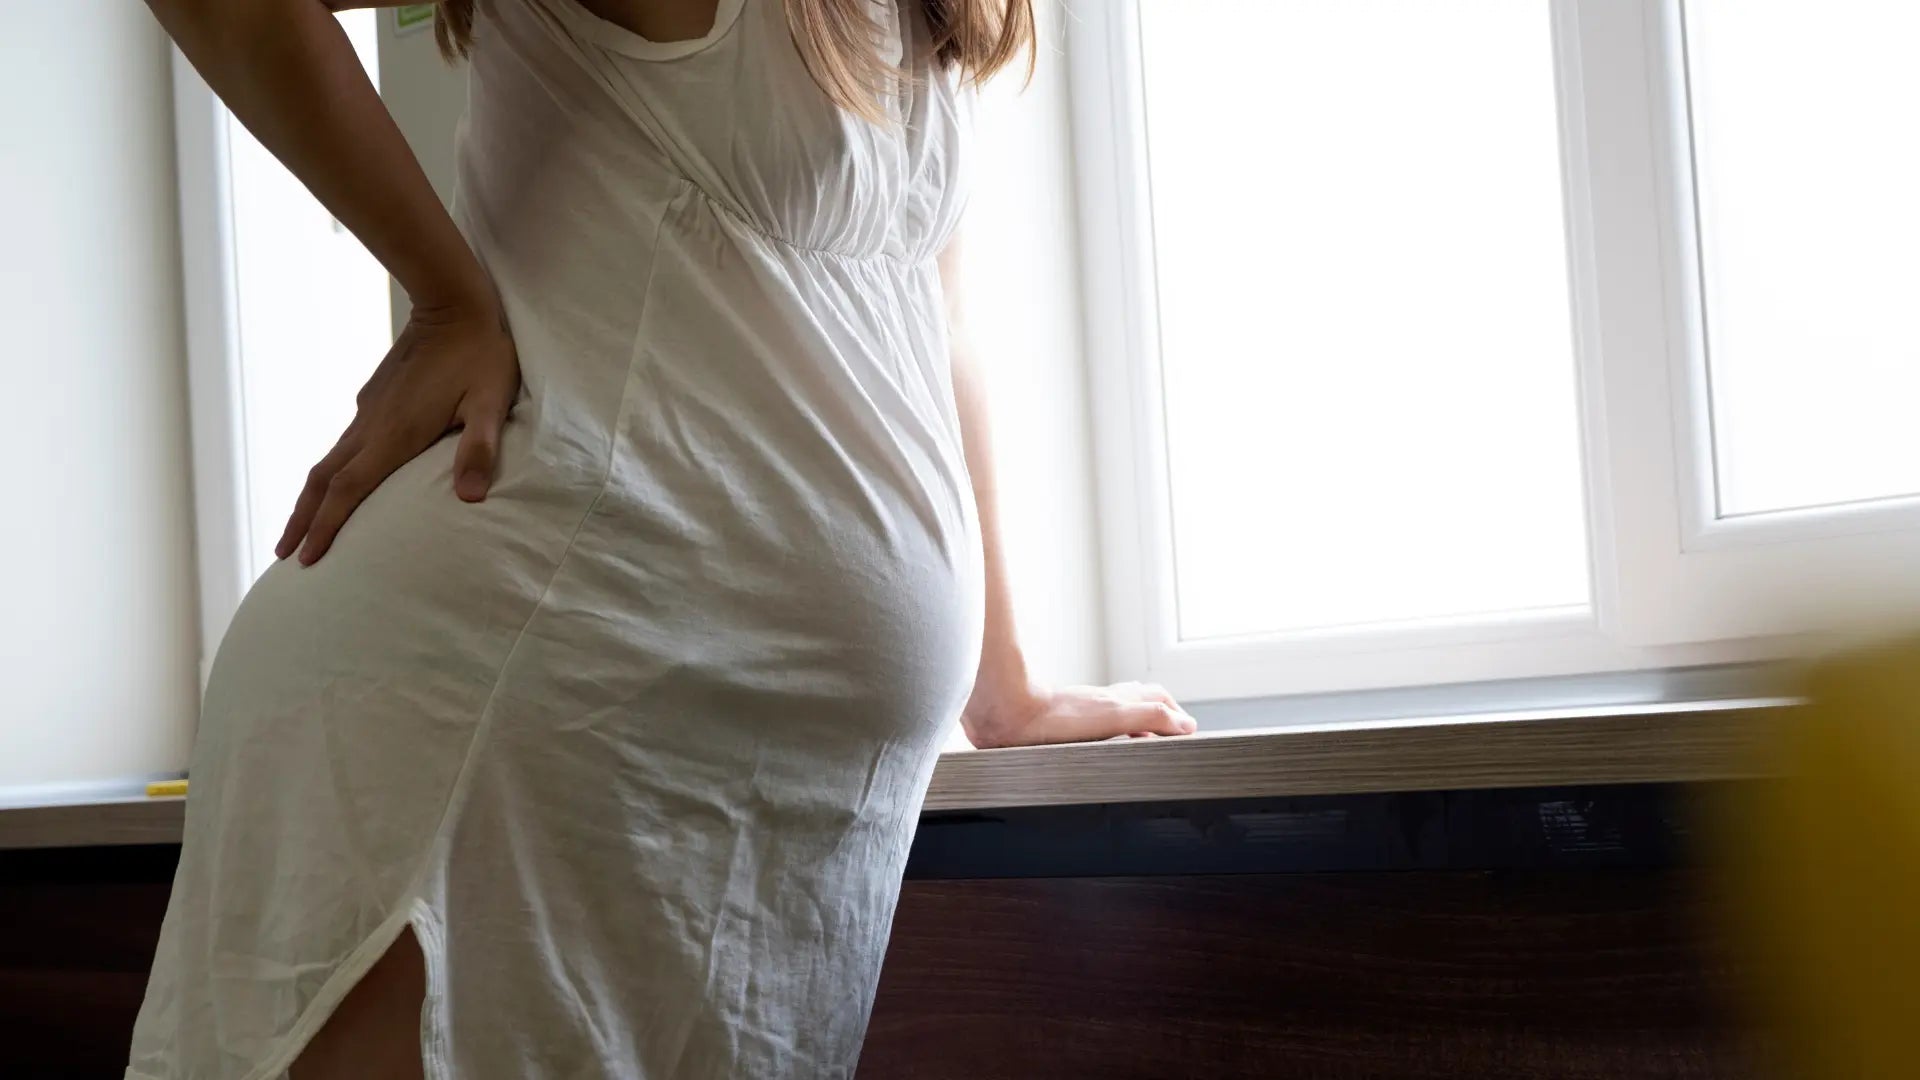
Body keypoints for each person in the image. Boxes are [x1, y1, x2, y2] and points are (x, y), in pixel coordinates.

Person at [129, 0, 1197, 1076]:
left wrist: (997, 678)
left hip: (727, 795)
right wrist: (448, 300)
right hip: (500, 718)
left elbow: (927, 310)